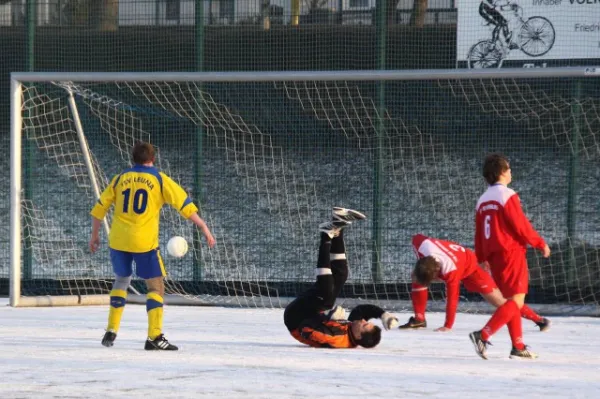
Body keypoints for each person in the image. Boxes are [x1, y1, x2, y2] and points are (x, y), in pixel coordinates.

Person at [89, 141, 216, 351]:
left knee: (121, 281)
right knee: (155, 287)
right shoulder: (158, 178)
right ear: (153, 159)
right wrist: (203, 226)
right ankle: (154, 336)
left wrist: (94, 236)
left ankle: (111, 330)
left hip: (118, 240)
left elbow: (99, 209)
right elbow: (183, 203)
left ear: (133, 159)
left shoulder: (120, 179)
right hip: (143, 242)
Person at [470, 153, 551, 359]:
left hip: (494, 255)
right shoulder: (507, 195)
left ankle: (518, 345)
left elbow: (479, 232)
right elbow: (520, 224)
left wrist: (481, 257)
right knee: (516, 301)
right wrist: (539, 242)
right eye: (509, 168)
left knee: (510, 301)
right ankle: (483, 334)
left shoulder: (482, 199)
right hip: (511, 252)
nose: (511, 172)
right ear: (503, 172)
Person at [284, 207, 399, 349]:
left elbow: (306, 330)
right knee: (341, 275)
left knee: (325, 291)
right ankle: (338, 225)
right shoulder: (351, 331)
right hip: (310, 312)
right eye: (366, 322)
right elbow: (360, 311)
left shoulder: (338, 340)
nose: (363, 320)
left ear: (358, 336)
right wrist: (382, 314)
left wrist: (327, 316)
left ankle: (326, 236)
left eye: (364, 324)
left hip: (295, 318)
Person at [399, 234, 507, 332]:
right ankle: (419, 319)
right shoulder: (420, 244)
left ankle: (520, 316)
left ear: (438, 271)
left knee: (500, 302)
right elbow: (415, 237)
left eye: (433, 279)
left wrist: (448, 325)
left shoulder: (451, 272)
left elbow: (452, 300)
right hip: (459, 260)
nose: (434, 281)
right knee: (417, 276)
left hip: (471, 268)